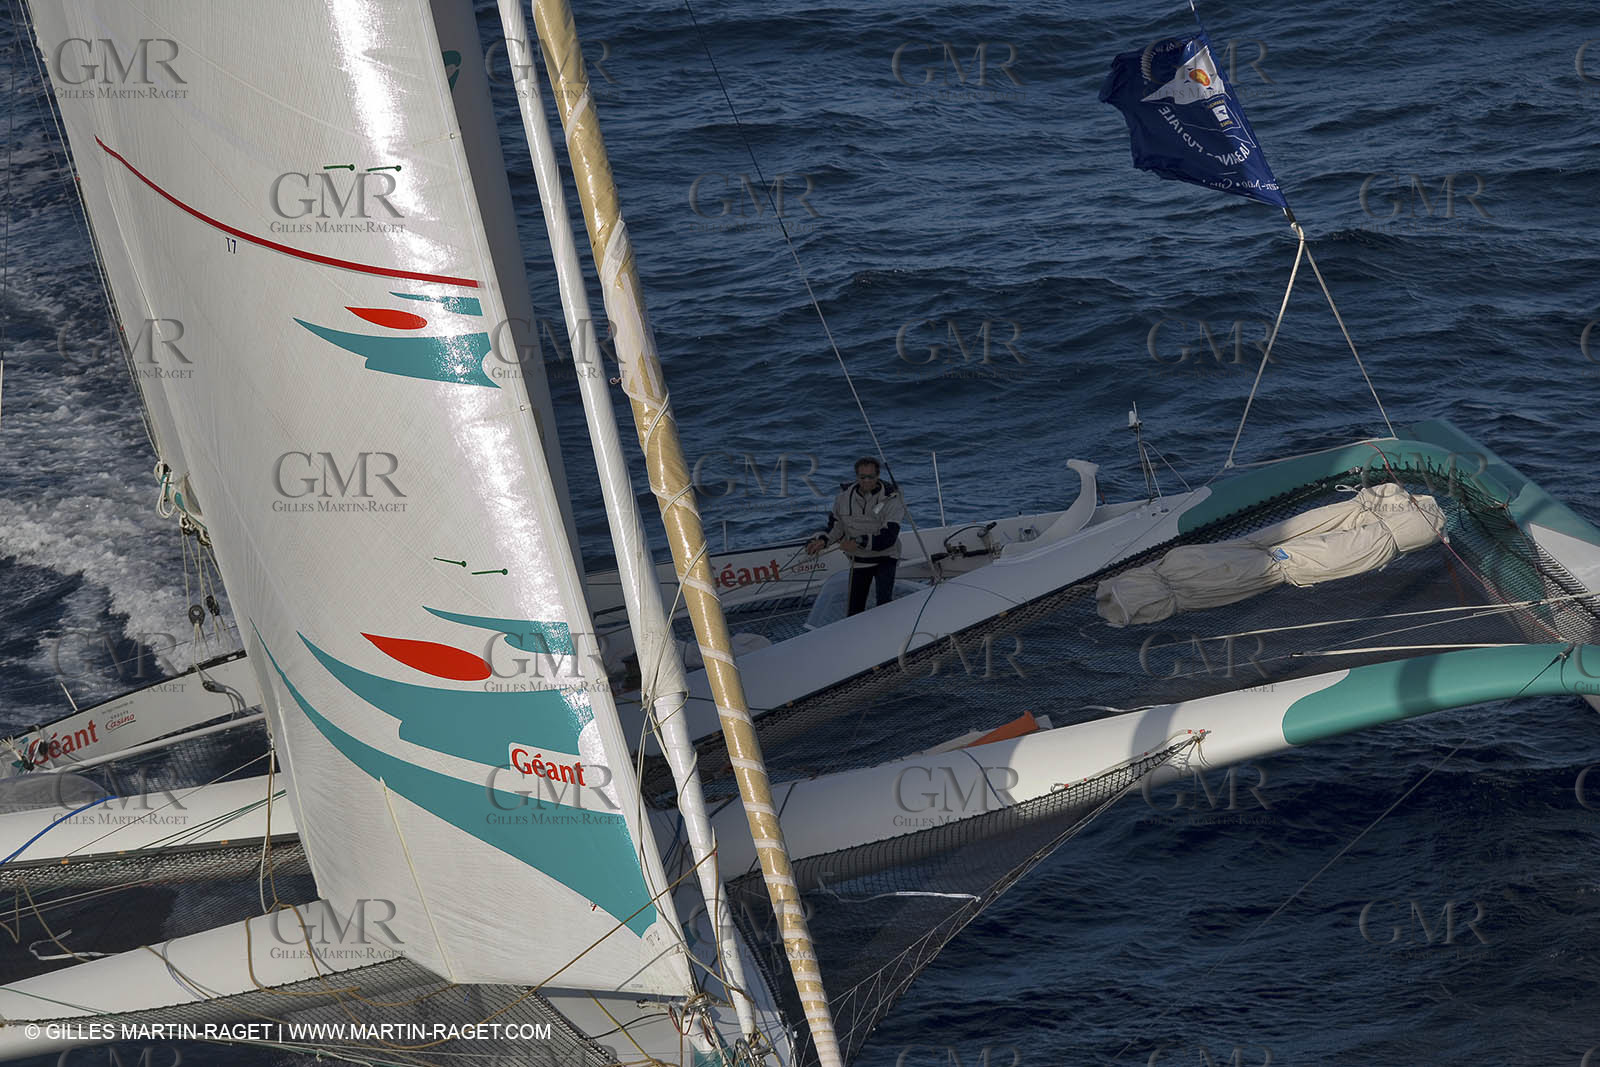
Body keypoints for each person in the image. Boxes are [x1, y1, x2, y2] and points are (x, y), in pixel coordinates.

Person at [805, 456, 905, 616]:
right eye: (862, 477)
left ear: (878, 476)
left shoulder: (892, 498)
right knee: (854, 611)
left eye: (870, 477)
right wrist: (822, 541)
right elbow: (836, 527)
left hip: (886, 557)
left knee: (884, 605)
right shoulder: (842, 498)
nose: (866, 481)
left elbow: (889, 537)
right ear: (856, 477)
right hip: (859, 560)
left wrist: (858, 541)